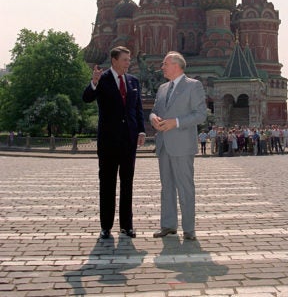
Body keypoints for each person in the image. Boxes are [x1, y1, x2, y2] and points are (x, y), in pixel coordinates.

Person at [82, 46, 146, 239]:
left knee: (127, 184)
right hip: (108, 141)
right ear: (114, 61)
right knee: (107, 184)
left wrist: (141, 130)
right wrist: (93, 82)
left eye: (129, 59)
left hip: (128, 140)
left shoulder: (133, 81)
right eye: (125, 59)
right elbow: (86, 98)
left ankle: (127, 225)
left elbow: (138, 108)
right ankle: (106, 226)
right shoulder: (103, 79)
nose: (128, 62)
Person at [150, 51, 207, 241]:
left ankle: (189, 229)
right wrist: (153, 119)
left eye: (165, 64)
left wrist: (176, 122)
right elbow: (155, 111)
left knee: (185, 187)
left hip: (182, 144)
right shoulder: (162, 88)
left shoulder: (193, 85)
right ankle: (168, 225)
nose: (162, 67)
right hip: (164, 144)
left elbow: (200, 115)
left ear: (176, 65)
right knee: (166, 187)